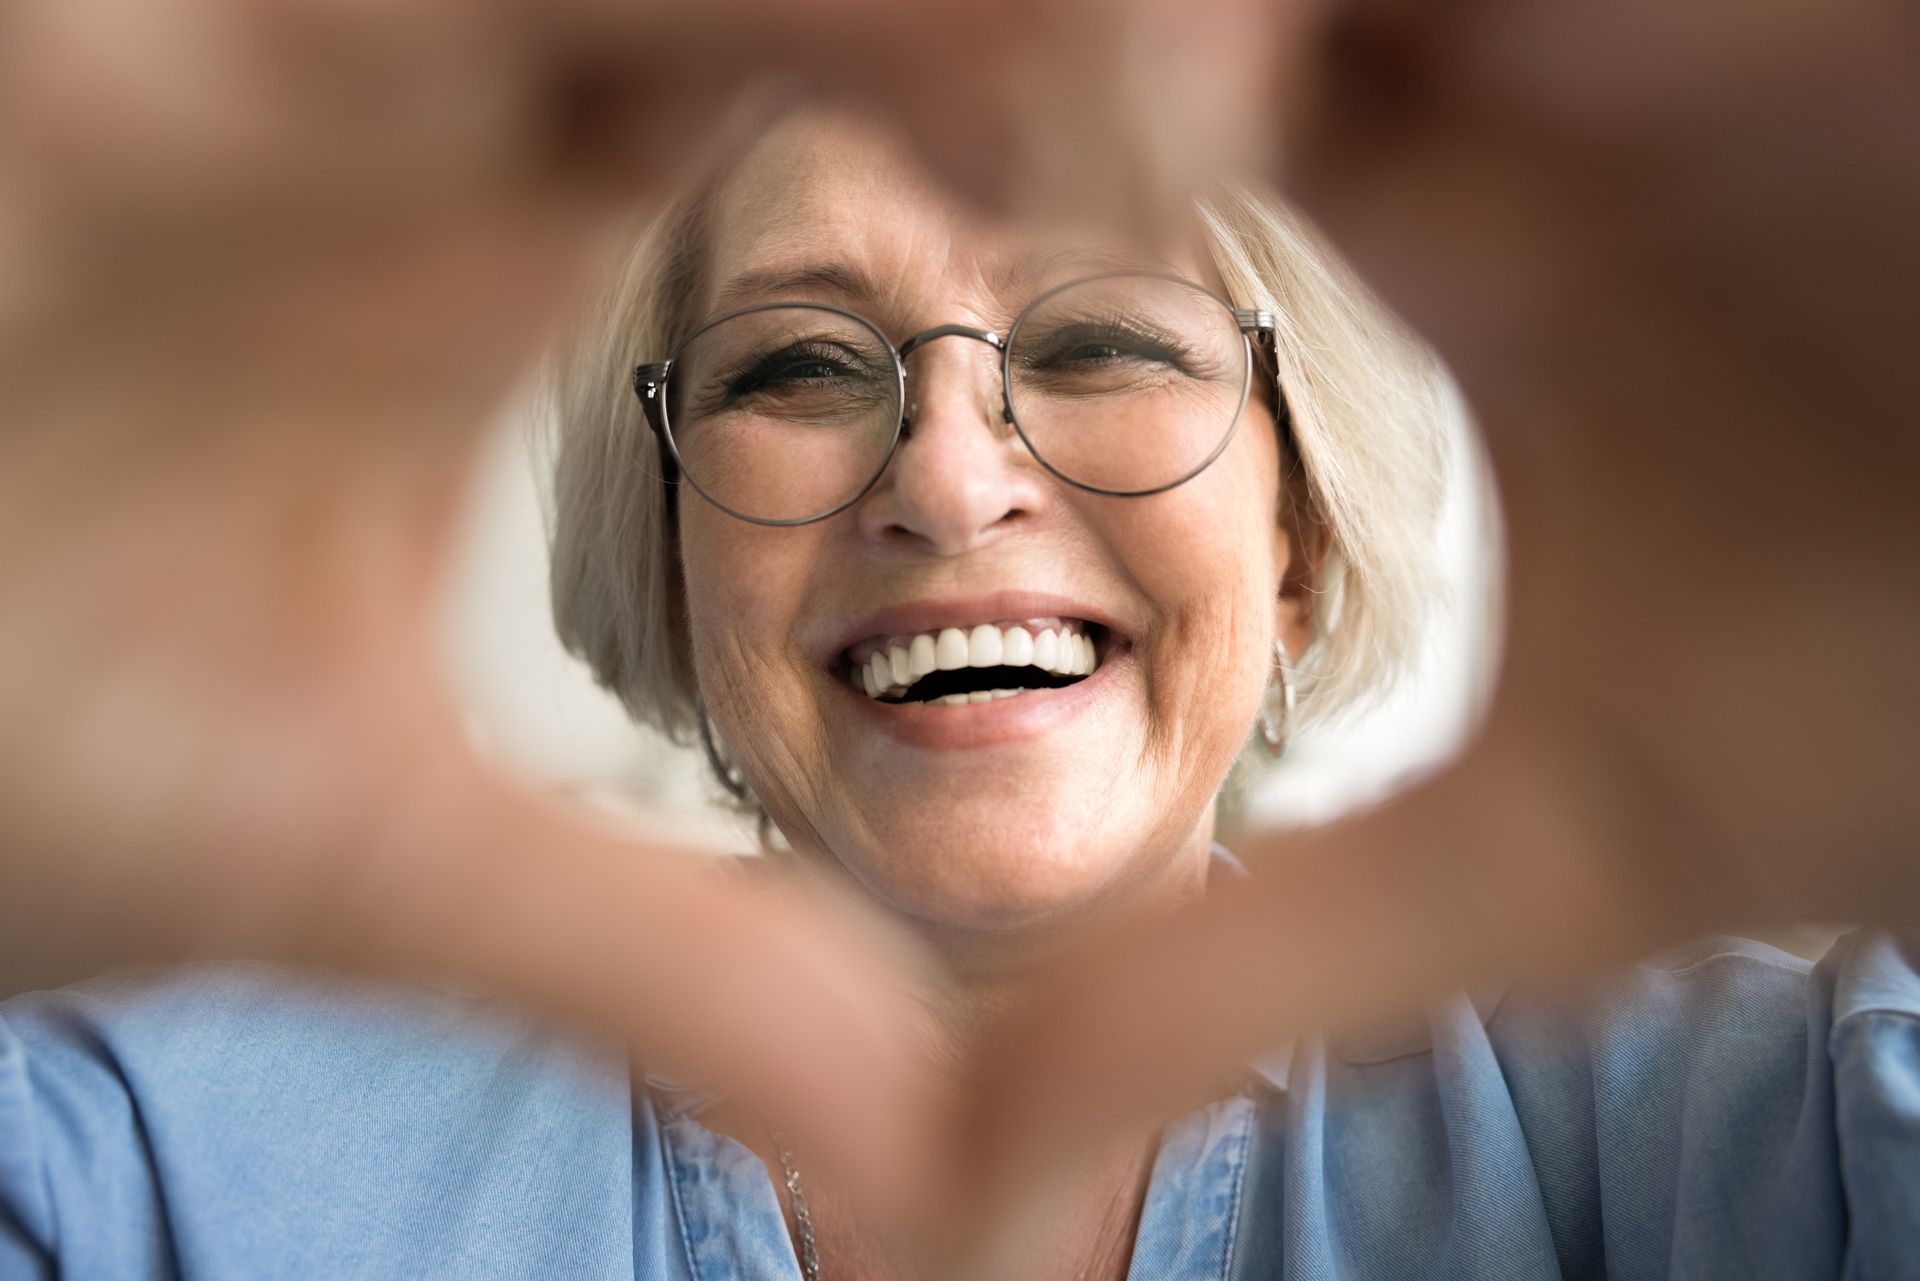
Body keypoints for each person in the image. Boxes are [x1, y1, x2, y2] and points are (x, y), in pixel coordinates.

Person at [1, 1, 1917, 1277]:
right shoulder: (169, 1160)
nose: (944, 473)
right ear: (671, 563)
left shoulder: (1739, 1132)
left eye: (1100, 343)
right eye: (797, 367)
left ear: (1303, 544)